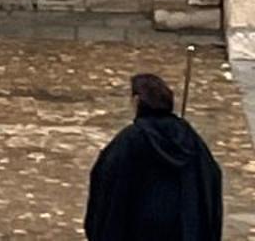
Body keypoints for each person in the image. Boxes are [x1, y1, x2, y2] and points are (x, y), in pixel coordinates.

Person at [85, 71, 223, 241]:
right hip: (182, 228)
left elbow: (105, 179)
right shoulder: (188, 137)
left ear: (136, 101)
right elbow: (211, 176)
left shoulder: (130, 139)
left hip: (138, 229)